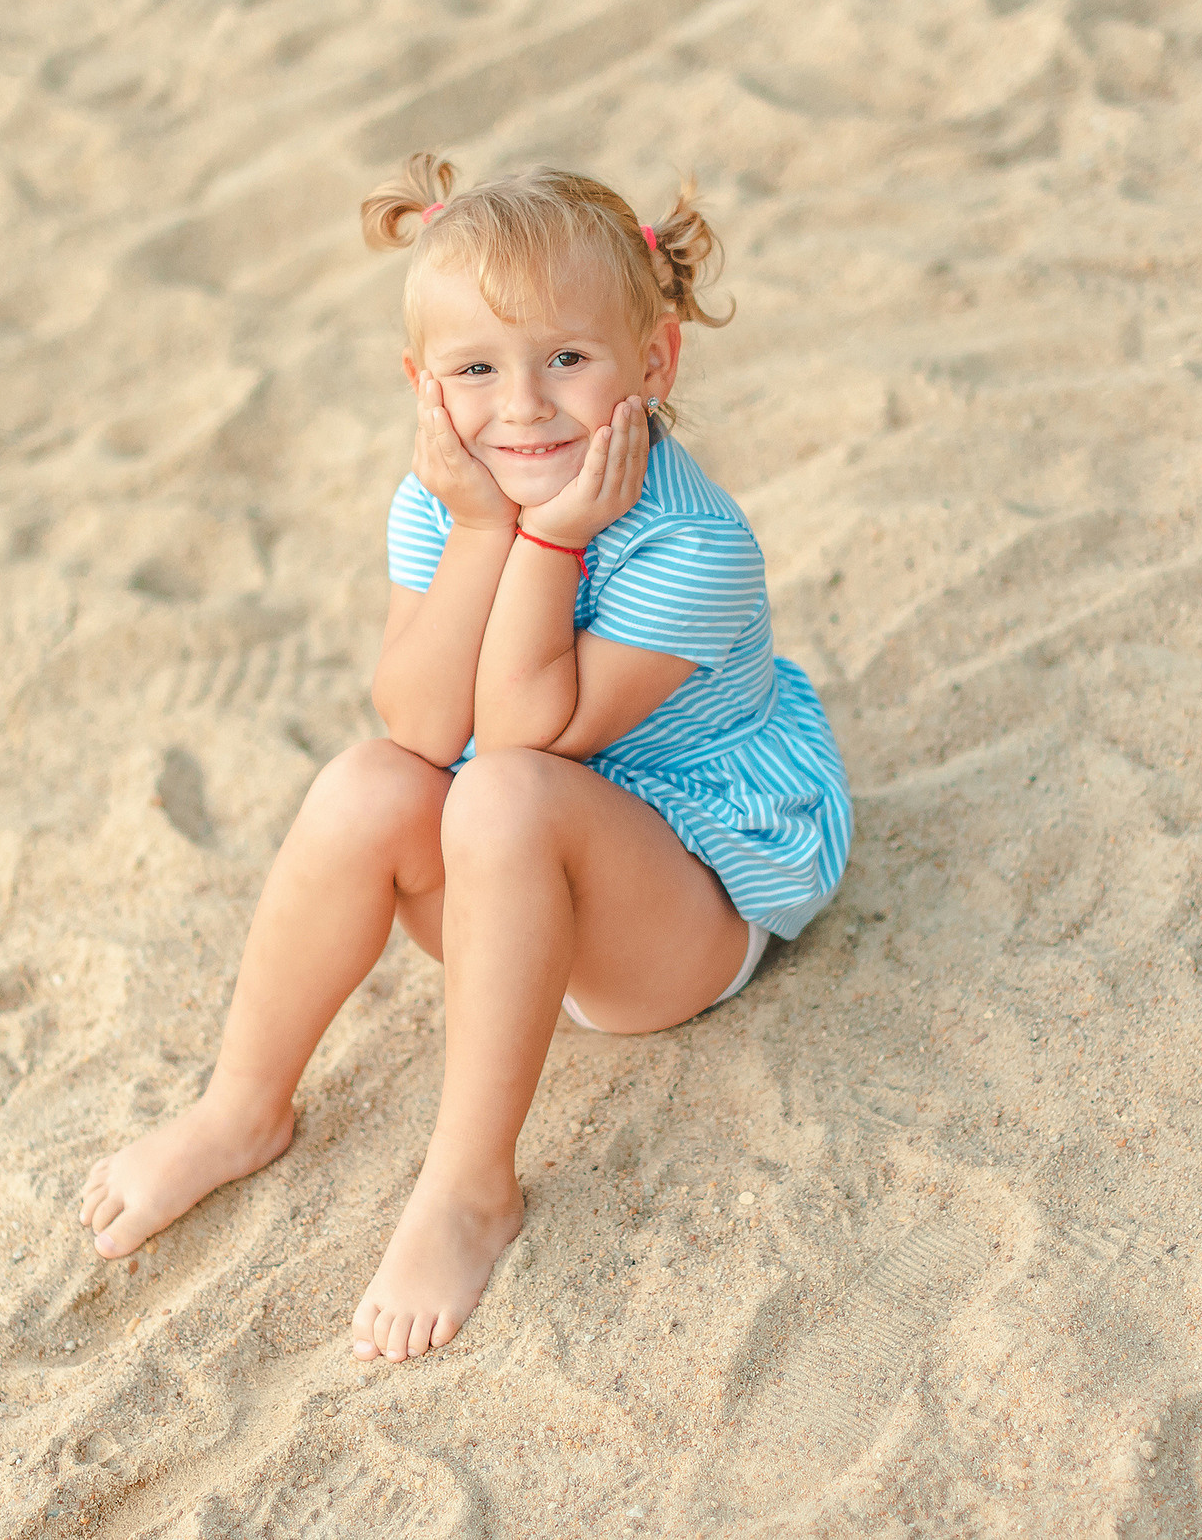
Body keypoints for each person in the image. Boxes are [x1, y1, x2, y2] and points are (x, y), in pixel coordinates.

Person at [78, 153, 852, 1361]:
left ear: (654, 360)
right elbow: (422, 724)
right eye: (477, 370)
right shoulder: (443, 498)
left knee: (500, 794)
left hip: (677, 914)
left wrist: (544, 537)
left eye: (567, 359)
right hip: (514, 888)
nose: (524, 406)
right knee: (365, 784)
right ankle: (240, 1106)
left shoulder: (695, 547)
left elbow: (528, 728)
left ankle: (471, 1184)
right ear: (421, 387)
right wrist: (486, 525)